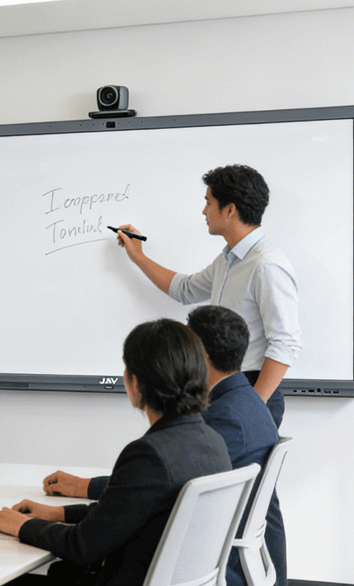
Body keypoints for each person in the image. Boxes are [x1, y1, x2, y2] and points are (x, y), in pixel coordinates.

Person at [40, 306, 286, 586]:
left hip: (216, 565)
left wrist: (82, 487)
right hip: (223, 560)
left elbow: (164, 478)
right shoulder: (247, 400)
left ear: (199, 356)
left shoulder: (224, 418)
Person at [0, 319, 231, 586]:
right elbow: (122, 512)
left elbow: (84, 545)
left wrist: (24, 526)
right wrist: (57, 513)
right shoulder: (213, 443)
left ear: (135, 383)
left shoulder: (150, 454)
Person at [114, 164, 299, 428]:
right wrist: (139, 257)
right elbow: (184, 289)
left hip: (252, 390)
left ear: (230, 209)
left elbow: (285, 343)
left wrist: (253, 405)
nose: (204, 211)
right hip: (225, 392)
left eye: (208, 202)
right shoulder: (228, 261)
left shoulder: (266, 265)